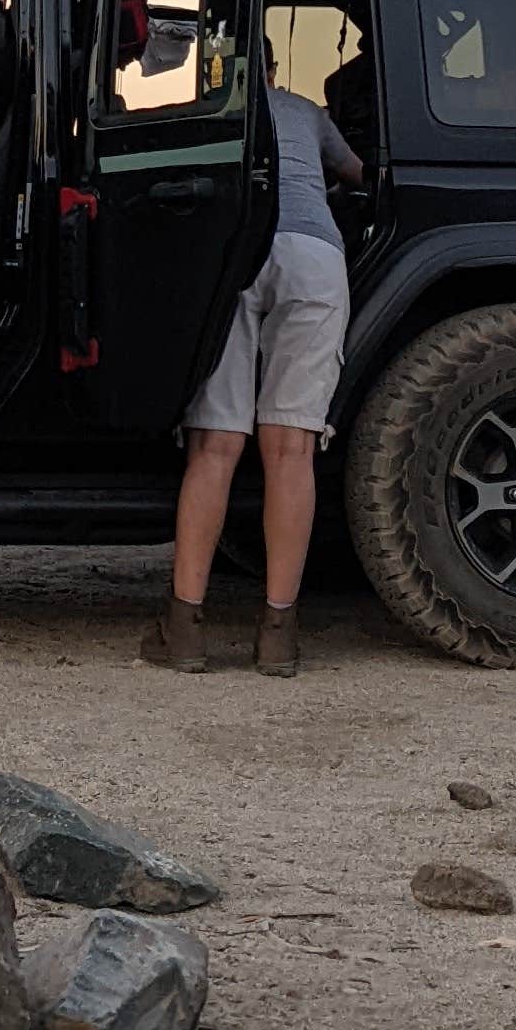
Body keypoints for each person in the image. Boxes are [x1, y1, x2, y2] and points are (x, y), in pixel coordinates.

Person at [143, 39, 365, 681]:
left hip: (235, 252)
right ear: (270, 68)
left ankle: (185, 628)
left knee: (216, 446)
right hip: (314, 258)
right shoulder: (303, 110)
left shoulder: (208, 111)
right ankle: (278, 635)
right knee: (291, 449)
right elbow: (358, 173)